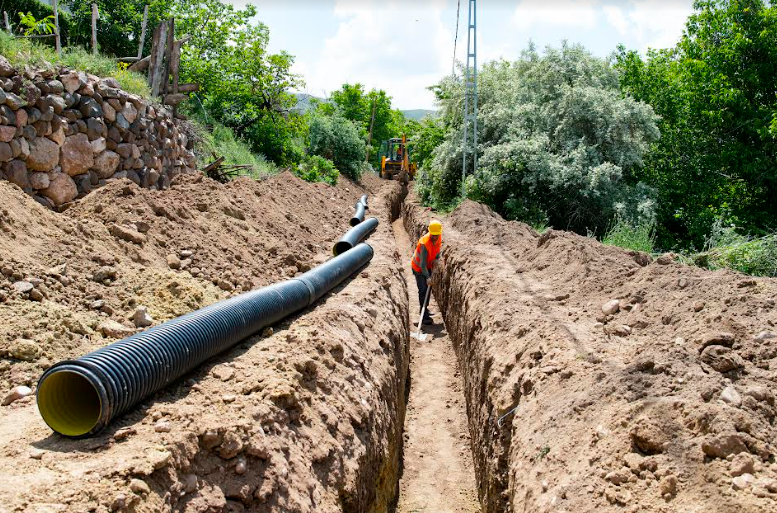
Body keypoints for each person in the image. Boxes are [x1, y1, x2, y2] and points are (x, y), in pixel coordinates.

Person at [411, 220, 442, 325]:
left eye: (436, 235)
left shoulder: (438, 237)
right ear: (430, 233)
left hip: (428, 265)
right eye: (432, 235)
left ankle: (425, 309)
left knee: (429, 289)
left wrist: (437, 258)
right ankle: (423, 316)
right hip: (418, 268)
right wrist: (428, 277)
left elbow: (437, 250)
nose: (434, 237)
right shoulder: (424, 243)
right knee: (423, 289)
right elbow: (422, 264)